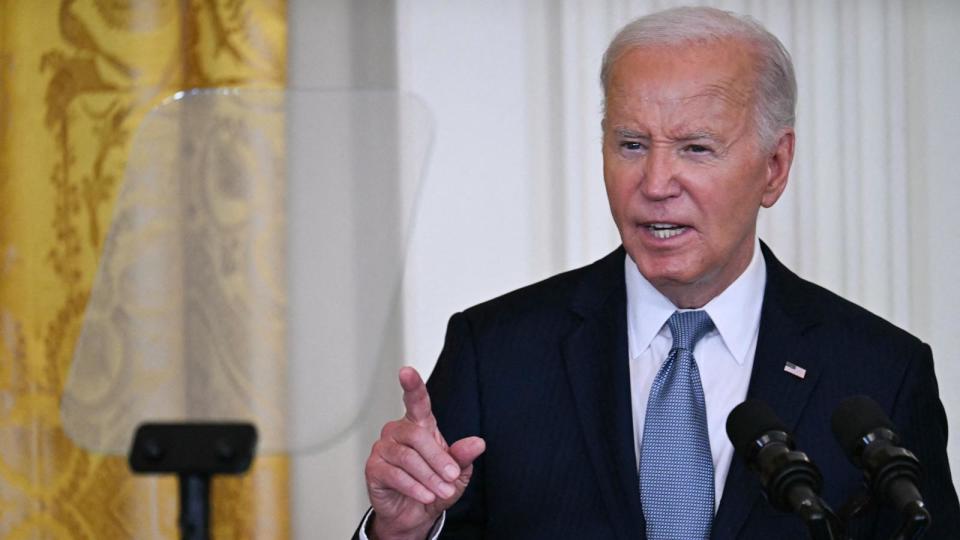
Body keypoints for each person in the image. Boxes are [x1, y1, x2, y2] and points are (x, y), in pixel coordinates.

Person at [356, 6, 960, 539]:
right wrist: (401, 534)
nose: (654, 184)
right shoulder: (496, 353)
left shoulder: (882, 372)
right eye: (631, 145)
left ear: (775, 167)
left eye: (695, 148)